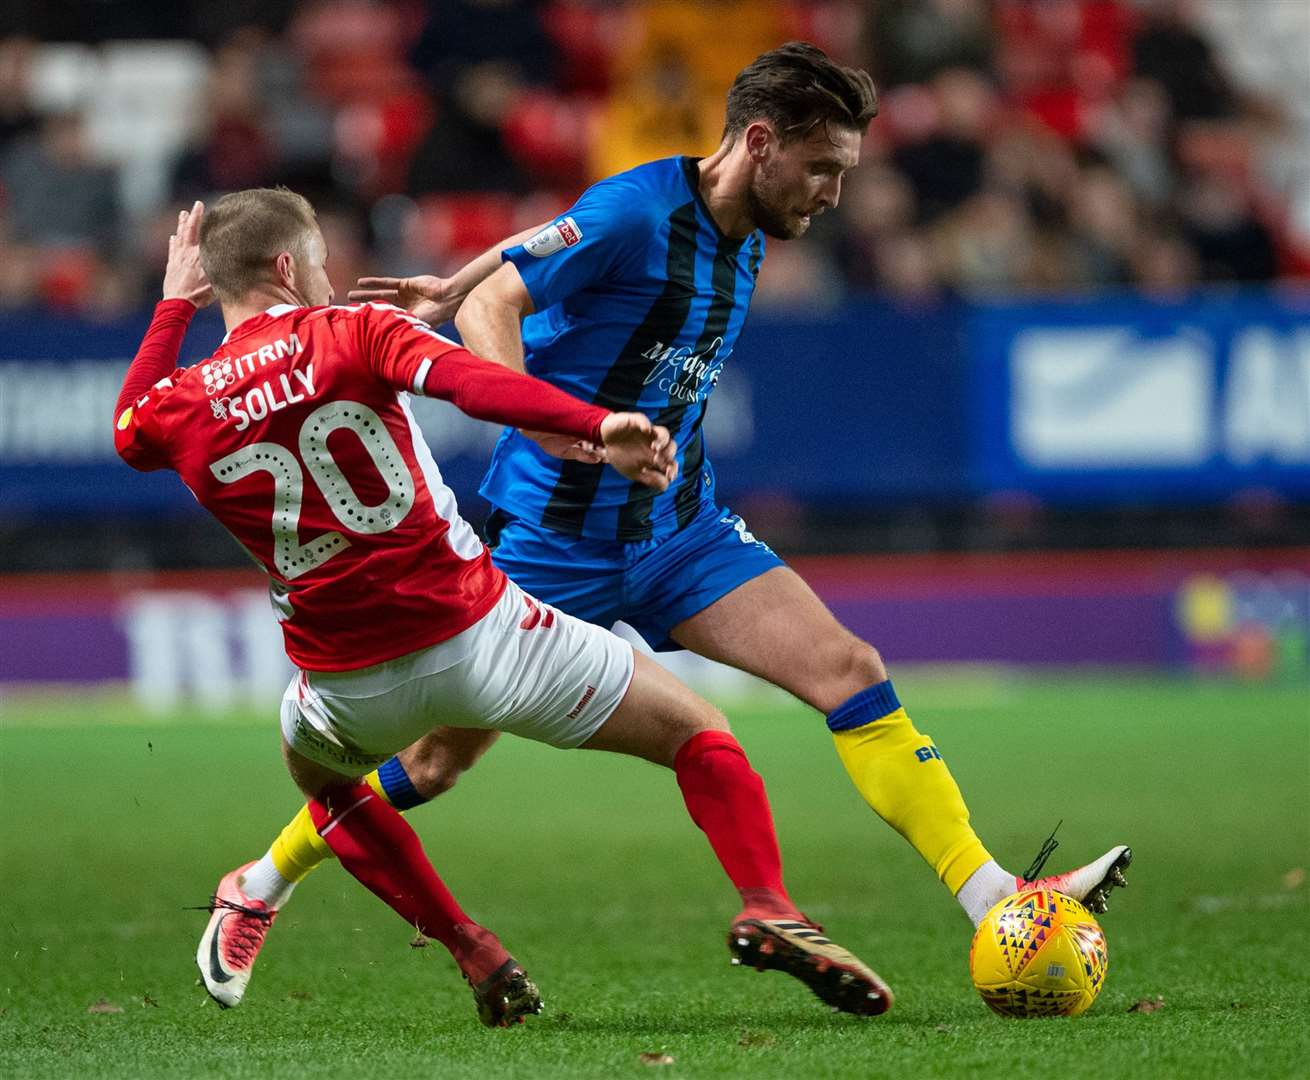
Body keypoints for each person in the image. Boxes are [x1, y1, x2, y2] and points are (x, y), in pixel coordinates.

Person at [194, 42, 1130, 1007]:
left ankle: (995, 902)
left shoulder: (753, 229)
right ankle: (259, 882)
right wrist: (551, 423)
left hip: (680, 531)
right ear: (760, 143)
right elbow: (498, 309)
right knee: (434, 762)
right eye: (823, 169)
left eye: (844, 173)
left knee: (849, 670)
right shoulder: (639, 211)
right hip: (552, 543)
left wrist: (456, 275)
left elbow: (523, 255)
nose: (834, 194)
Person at [116, 190, 891, 1026]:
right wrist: (599, 426)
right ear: (285, 268)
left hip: (346, 685)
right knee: (700, 735)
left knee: (326, 784)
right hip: (486, 641)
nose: (329, 277)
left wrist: (170, 305)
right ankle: (765, 901)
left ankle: (471, 948)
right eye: (321, 263)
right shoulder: (355, 333)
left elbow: (126, 428)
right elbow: (479, 386)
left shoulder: (178, 404)